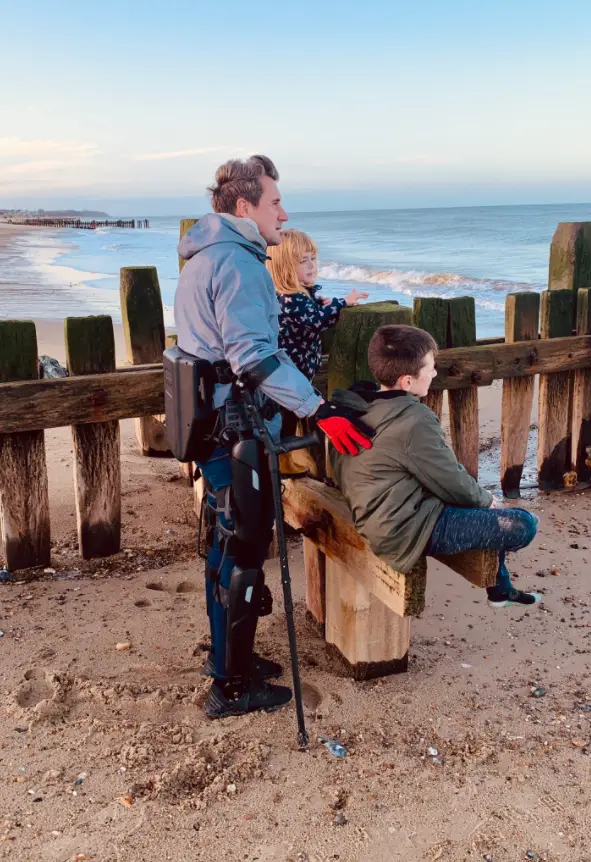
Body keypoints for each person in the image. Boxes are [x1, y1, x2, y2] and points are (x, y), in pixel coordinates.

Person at [174, 155, 372, 719]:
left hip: (208, 421)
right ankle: (231, 687)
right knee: (243, 549)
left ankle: (229, 659)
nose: (283, 212)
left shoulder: (203, 256)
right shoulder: (239, 265)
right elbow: (252, 355)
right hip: (233, 426)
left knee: (226, 538)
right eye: (275, 201)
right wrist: (318, 407)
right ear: (245, 206)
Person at [329, 324, 542, 608]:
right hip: (403, 530)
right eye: (430, 367)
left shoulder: (357, 406)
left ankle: (500, 589)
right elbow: (450, 478)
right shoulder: (413, 420)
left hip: (380, 514)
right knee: (521, 524)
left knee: (481, 508)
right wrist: (487, 500)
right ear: (407, 381)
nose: (434, 373)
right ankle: (501, 588)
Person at [267, 228, 368, 381]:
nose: (311, 265)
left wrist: (318, 304)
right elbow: (316, 321)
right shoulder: (291, 298)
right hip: (294, 370)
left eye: (313, 258)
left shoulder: (287, 295)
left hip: (294, 368)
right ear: (284, 267)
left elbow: (309, 317)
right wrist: (342, 303)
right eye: (303, 261)